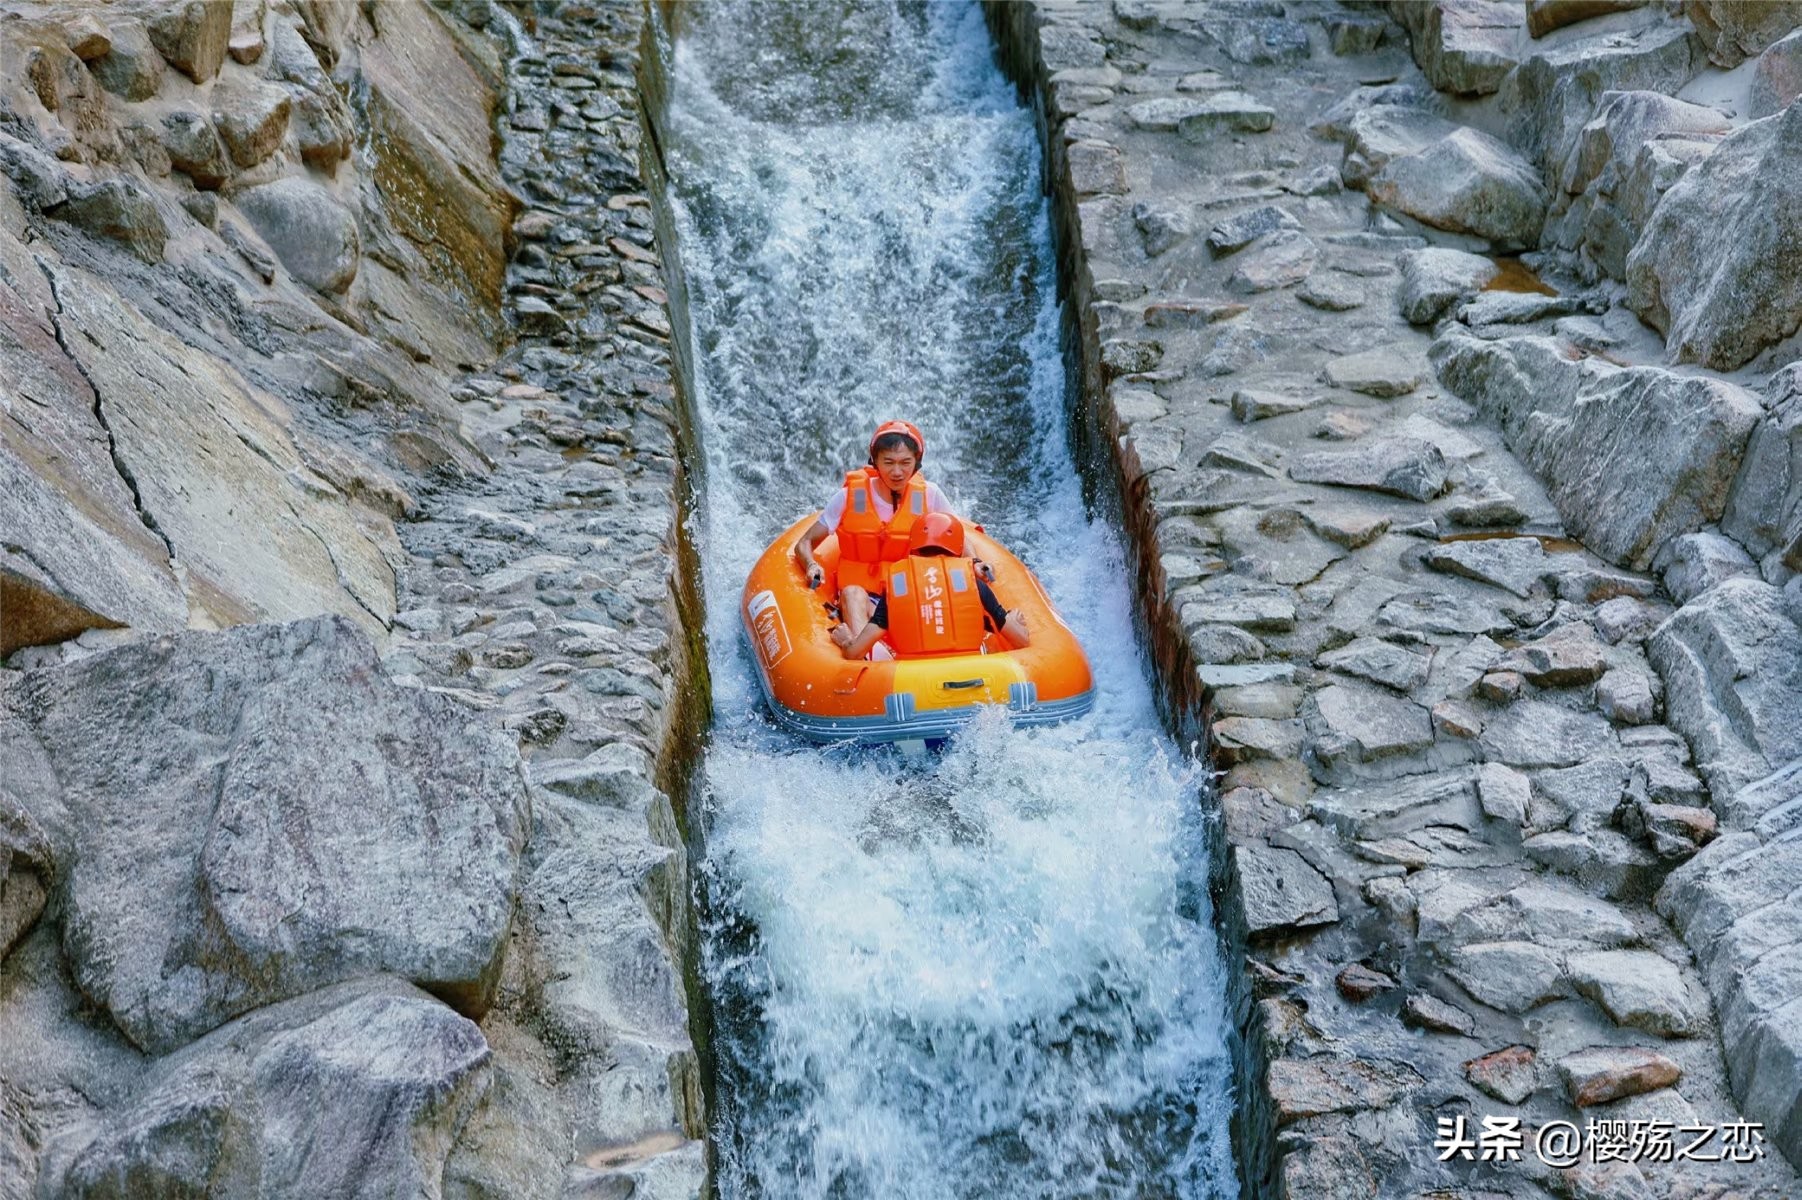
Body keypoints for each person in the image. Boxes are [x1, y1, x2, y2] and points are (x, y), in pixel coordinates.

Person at [795, 420, 991, 647]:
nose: (897, 472)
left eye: (905, 462)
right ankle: (863, 654)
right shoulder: (848, 497)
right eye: (888, 462)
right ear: (875, 462)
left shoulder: (930, 495)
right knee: (852, 593)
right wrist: (811, 565)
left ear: (916, 463)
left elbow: (959, 539)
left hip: (912, 595)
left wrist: (975, 563)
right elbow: (804, 543)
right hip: (864, 598)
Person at [830, 513, 1029, 660]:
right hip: (971, 673)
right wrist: (1013, 619)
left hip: (913, 680)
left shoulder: (898, 586)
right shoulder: (975, 585)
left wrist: (846, 640)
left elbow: (854, 652)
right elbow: (1021, 641)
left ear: (914, 550)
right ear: (958, 551)